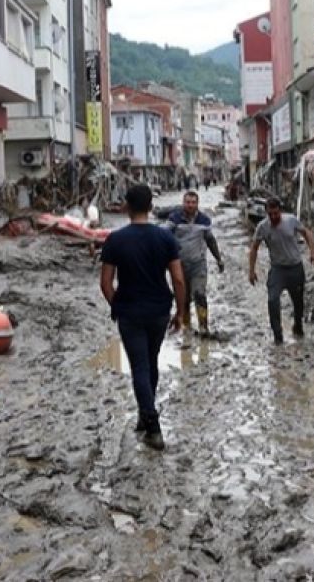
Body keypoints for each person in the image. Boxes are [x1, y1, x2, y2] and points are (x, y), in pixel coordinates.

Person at [100, 184, 187, 451]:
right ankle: (145, 412)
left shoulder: (115, 240)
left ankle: (152, 425)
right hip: (159, 311)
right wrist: (180, 312)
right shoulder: (166, 239)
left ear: (126, 207)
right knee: (150, 363)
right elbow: (179, 280)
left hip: (131, 313)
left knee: (139, 366)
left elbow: (105, 284)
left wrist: (119, 305)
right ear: (150, 207)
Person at [248, 198, 314, 345]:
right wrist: (251, 270)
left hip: (295, 267)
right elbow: (254, 248)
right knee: (272, 300)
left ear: (280, 210)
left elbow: (307, 233)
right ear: (267, 213)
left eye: (276, 213)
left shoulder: (291, 220)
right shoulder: (263, 227)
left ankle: (298, 325)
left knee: (298, 302)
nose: (273, 217)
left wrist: (313, 252)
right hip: (277, 270)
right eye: (270, 214)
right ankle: (278, 336)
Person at [165, 191, 225, 336]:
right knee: (184, 298)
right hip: (179, 265)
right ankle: (186, 327)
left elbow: (210, 240)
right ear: (183, 203)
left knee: (200, 294)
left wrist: (218, 259)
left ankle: (204, 327)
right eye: (188, 202)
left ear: (197, 204)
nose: (190, 205)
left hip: (198, 264)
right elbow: (164, 238)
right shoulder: (174, 219)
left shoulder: (204, 220)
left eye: (193, 202)